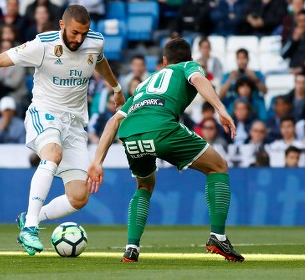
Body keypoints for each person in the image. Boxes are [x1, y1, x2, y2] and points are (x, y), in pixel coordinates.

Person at [0, 4, 125, 256]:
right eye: (74, 33)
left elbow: (99, 62)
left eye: (84, 33)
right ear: (62, 25)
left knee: (79, 197)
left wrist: (116, 89)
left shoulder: (95, 42)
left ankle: (31, 217)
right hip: (45, 113)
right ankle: (30, 228)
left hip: (74, 124)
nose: (79, 39)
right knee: (52, 154)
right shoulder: (43, 45)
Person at [87, 37, 244, 262]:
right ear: (191, 58)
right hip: (161, 128)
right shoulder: (188, 66)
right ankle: (218, 236)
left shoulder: (145, 84)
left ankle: (131, 248)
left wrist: (97, 161)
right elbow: (198, 78)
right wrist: (220, 109)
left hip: (130, 135)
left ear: (163, 61)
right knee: (218, 166)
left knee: (144, 185)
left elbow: (114, 121)